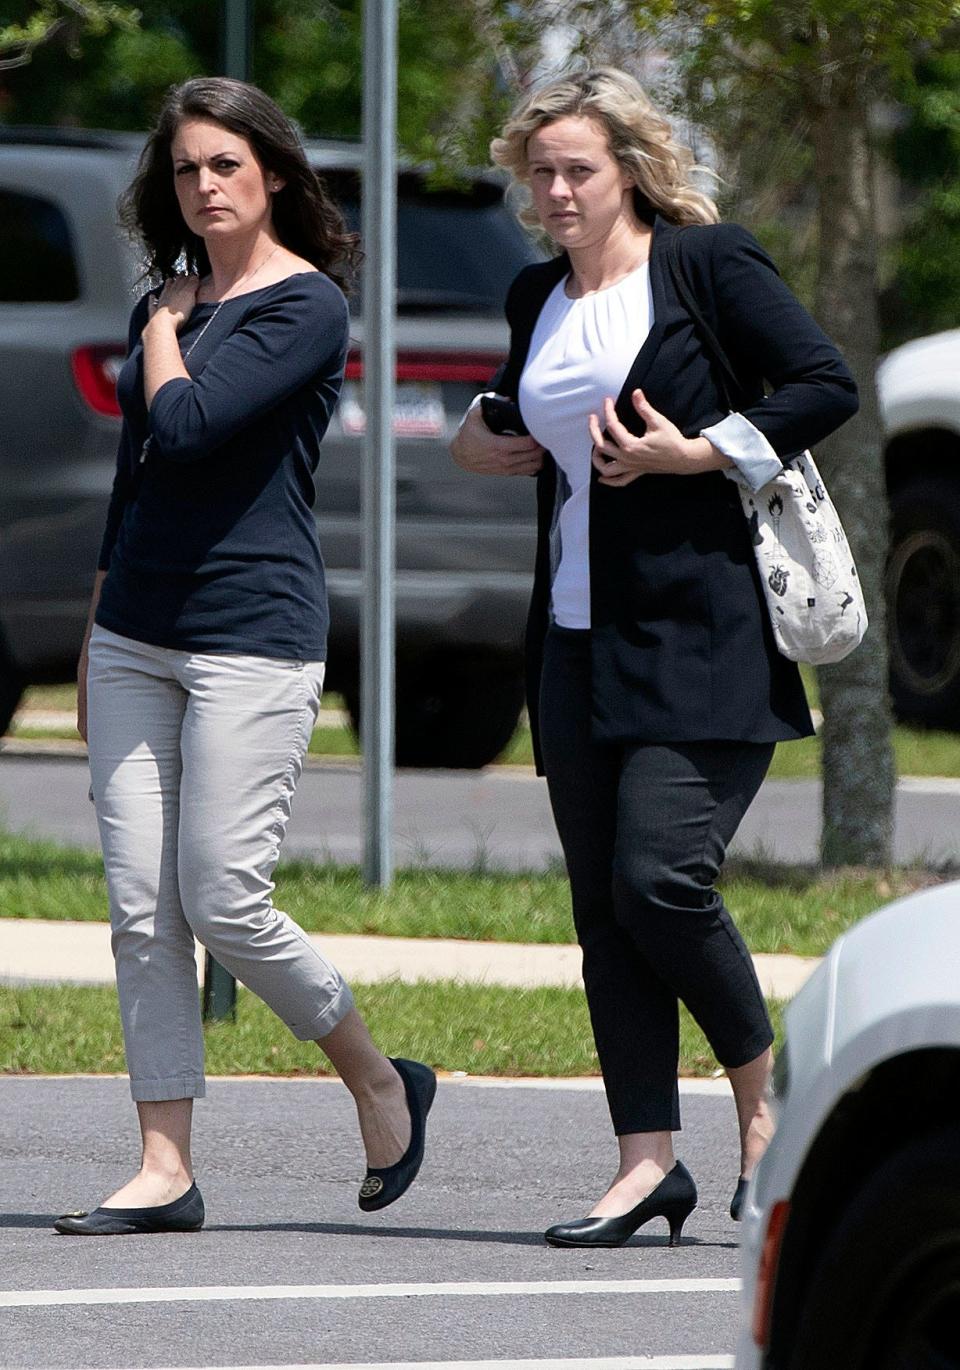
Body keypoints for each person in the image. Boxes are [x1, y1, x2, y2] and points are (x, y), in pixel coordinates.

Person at [451, 67, 858, 1248]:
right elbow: (512, 415)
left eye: (577, 168)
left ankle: (765, 1108)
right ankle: (645, 1163)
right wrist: (487, 437)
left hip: (705, 627)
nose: (556, 190)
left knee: (660, 878)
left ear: (630, 165)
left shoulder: (704, 264)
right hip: (575, 636)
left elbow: (821, 380)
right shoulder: (537, 293)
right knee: (602, 909)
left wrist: (704, 452)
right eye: (541, 173)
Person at [56, 77, 435, 1237]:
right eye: (185, 170)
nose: (205, 185)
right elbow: (138, 480)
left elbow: (186, 427)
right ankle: (164, 1162)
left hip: (249, 637)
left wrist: (164, 326)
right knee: (140, 908)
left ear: (272, 173)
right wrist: (94, 630)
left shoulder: (303, 306)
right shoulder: (164, 300)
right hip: (136, 635)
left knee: (221, 892)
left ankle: (379, 1077)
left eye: (225, 164)